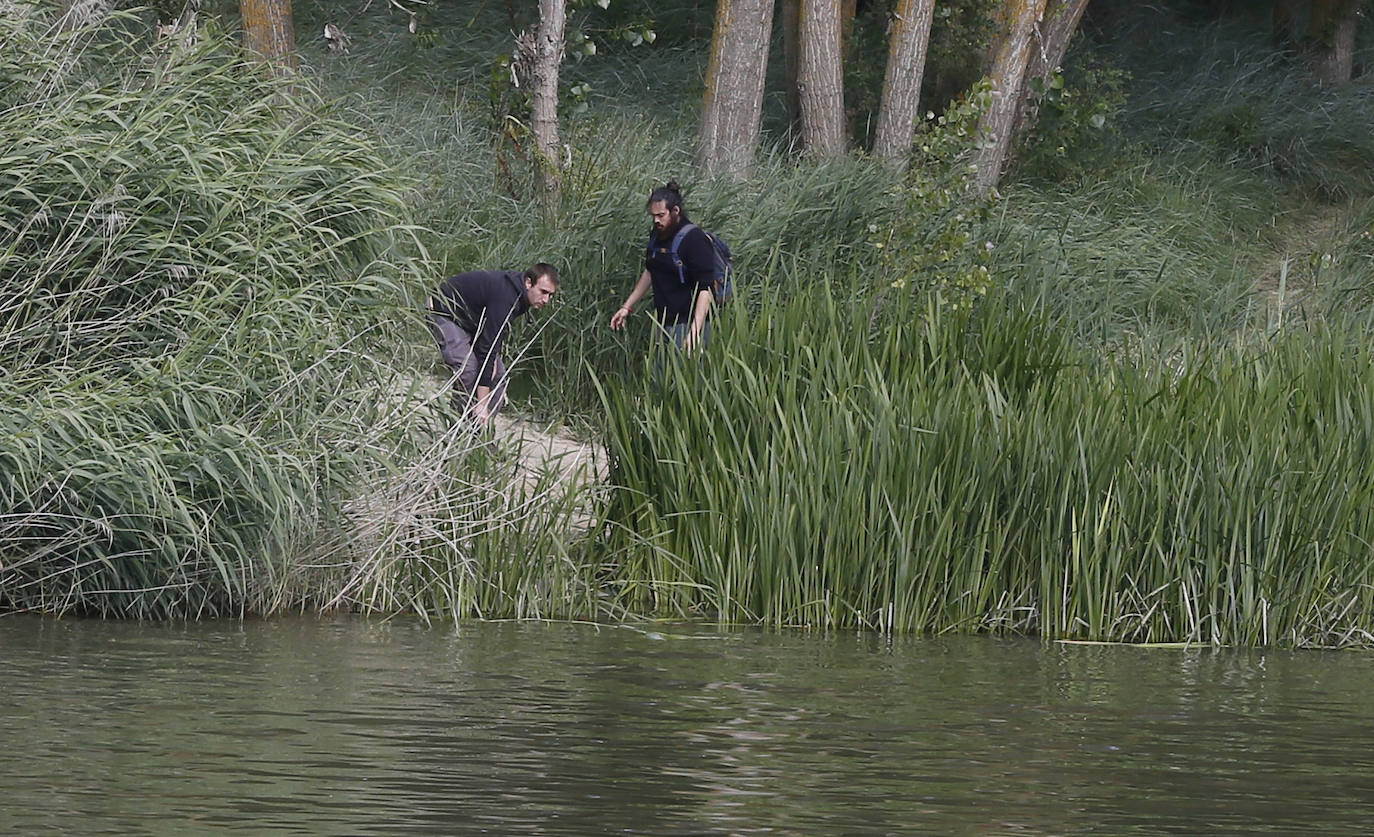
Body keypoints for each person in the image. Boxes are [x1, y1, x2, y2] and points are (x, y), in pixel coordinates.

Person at [427, 263, 559, 424]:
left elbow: (491, 337)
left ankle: (482, 432)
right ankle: (458, 430)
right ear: (528, 283)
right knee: (468, 369)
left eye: (550, 295)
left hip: (470, 320)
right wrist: (482, 403)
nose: (546, 300)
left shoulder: (522, 296)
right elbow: (487, 349)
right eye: (543, 292)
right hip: (444, 311)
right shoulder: (507, 296)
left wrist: (492, 361)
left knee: (498, 374)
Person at [609, 181, 714, 351]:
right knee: (661, 376)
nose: (656, 220)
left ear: (675, 211)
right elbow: (651, 271)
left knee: (688, 376)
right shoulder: (657, 235)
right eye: (653, 216)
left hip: (688, 324)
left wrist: (695, 331)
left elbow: (706, 288)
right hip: (664, 323)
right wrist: (626, 307)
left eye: (661, 215)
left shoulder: (694, 239)